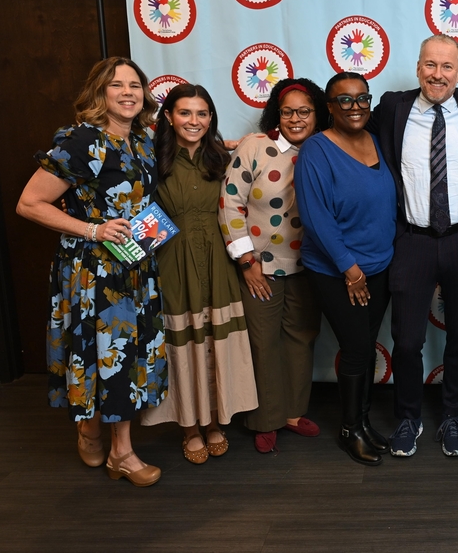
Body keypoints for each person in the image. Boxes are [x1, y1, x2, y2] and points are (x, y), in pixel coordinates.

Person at [17, 57, 166, 487]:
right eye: (116, 85)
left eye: (135, 85)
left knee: (127, 355)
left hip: (135, 265)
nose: (127, 92)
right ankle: (115, 447)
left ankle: (106, 437)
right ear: (99, 93)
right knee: (104, 353)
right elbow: (29, 203)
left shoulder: (140, 139)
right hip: (94, 272)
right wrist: (94, 229)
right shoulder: (81, 141)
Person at [368, 34, 458, 458]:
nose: (438, 74)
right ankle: (409, 417)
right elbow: (345, 132)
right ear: (417, 67)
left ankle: (452, 417)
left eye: (447, 67)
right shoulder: (394, 107)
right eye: (430, 64)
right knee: (407, 341)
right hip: (412, 241)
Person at [139, 84, 258, 464]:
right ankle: (189, 426)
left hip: (219, 258)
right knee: (184, 342)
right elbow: (138, 211)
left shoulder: (221, 158)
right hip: (171, 259)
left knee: (214, 339)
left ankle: (215, 422)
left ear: (211, 119)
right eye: (185, 113)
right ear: (169, 117)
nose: (194, 121)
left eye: (202, 113)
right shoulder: (149, 158)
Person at [220, 78, 327, 454]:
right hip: (260, 265)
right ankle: (265, 418)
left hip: (311, 263)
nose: (296, 119)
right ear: (275, 114)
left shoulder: (326, 148)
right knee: (263, 343)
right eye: (287, 112)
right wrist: (246, 261)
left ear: (317, 114)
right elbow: (231, 204)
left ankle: (294, 413)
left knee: (301, 337)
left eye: (304, 111)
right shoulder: (255, 147)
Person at [295, 72, 397, 466]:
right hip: (340, 271)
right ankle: (349, 430)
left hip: (380, 266)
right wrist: (350, 270)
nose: (354, 108)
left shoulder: (376, 140)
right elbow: (317, 218)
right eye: (344, 101)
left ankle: (364, 422)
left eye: (361, 99)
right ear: (329, 108)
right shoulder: (316, 151)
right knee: (355, 350)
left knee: (366, 347)